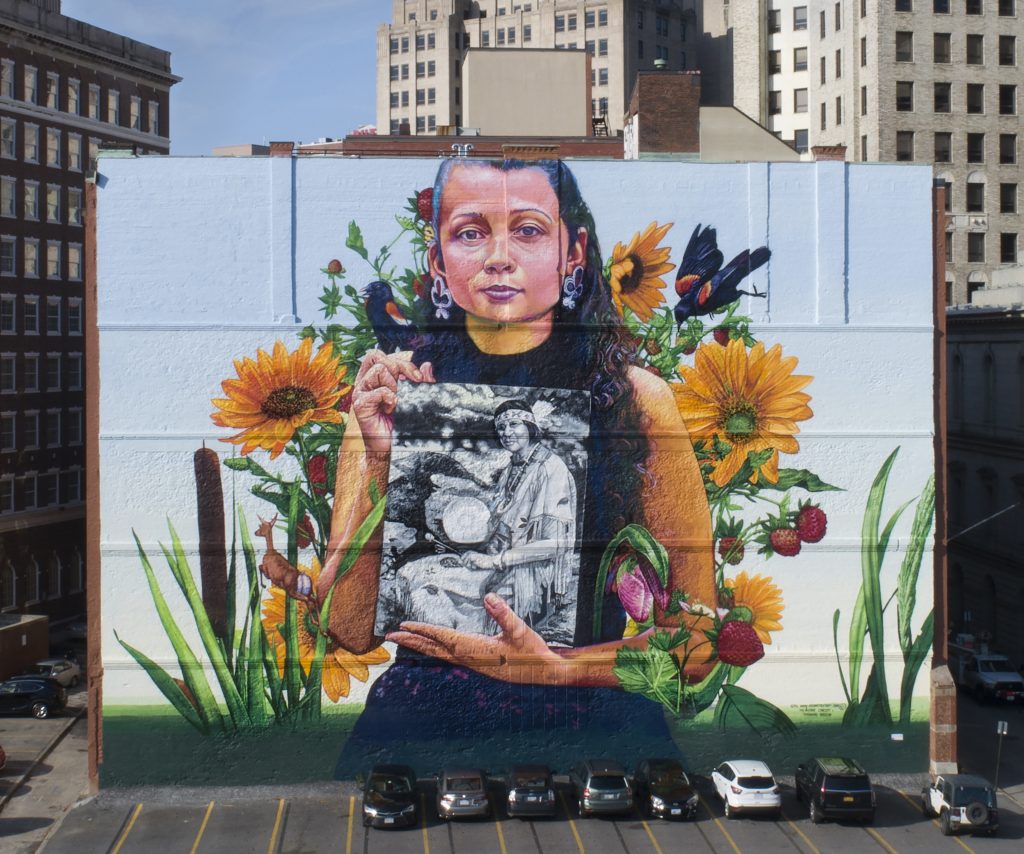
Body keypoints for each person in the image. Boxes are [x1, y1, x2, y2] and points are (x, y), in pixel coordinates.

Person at [317, 159, 715, 772]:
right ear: (438, 261)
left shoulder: (638, 401)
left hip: (596, 723)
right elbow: (347, 627)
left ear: (573, 252)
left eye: (528, 230)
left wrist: (557, 669)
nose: (498, 256)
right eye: (471, 232)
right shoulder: (393, 401)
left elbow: (698, 642)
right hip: (427, 720)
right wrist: (379, 465)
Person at [458, 398, 578, 626]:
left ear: (530, 427)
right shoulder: (511, 469)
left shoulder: (551, 468)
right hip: (502, 565)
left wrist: (493, 561)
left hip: (531, 580)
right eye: (501, 427)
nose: (506, 432)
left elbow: (554, 544)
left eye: (514, 424)